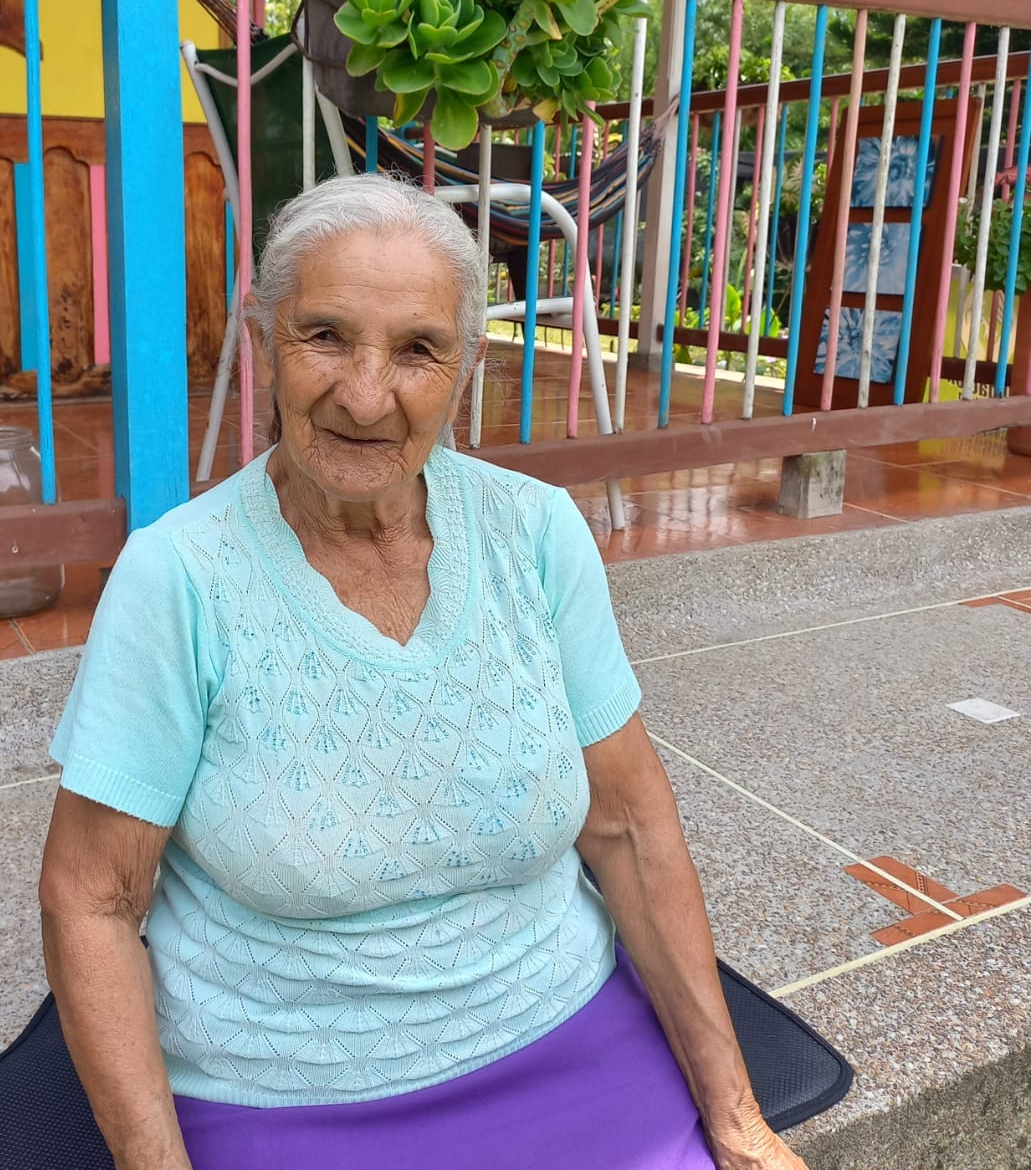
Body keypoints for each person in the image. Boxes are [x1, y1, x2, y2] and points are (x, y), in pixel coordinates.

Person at [40, 174, 810, 1170]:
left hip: (563, 1034)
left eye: (417, 350)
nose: (366, 395)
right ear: (262, 335)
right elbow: (91, 901)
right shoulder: (180, 578)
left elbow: (626, 825)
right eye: (324, 335)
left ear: (469, 366)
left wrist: (737, 1116)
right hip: (282, 1088)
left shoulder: (534, 533)